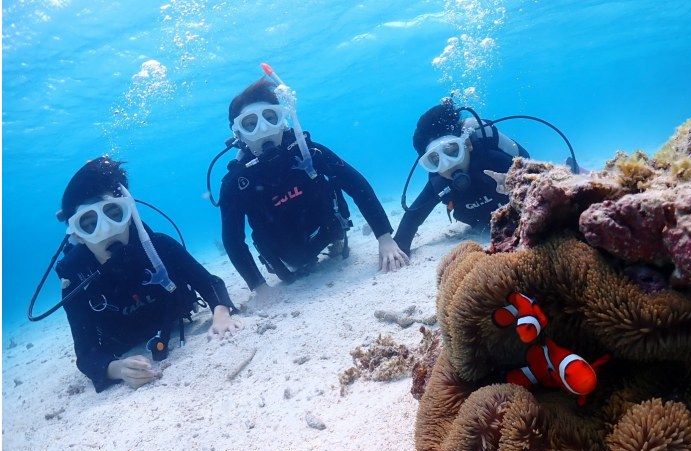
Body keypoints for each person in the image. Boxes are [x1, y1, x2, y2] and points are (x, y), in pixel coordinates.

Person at [55, 157, 240, 392]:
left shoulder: (159, 247)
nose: (105, 230)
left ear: (130, 214)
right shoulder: (76, 279)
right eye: (88, 224)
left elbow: (210, 283)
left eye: (114, 213)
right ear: (77, 235)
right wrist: (118, 368)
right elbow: (86, 355)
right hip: (121, 342)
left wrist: (221, 313)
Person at [219, 78, 409, 300]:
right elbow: (232, 239)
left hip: (329, 228)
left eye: (271, 118)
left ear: (283, 120)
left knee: (332, 218)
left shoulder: (310, 153)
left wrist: (385, 238)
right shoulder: (236, 183)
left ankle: (335, 241)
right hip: (286, 253)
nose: (263, 130)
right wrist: (259, 287)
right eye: (249, 124)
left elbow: (357, 185)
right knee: (296, 261)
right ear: (238, 135)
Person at [394, 98, 530, 255]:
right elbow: (413, 217)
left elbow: (536, 180)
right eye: (435, 159)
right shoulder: (439, 184)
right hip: (482, 224)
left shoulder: (493, 160)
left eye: (452, 150)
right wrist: (397, 248)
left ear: (467, 144)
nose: (447, 164)